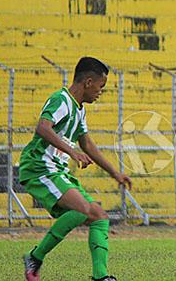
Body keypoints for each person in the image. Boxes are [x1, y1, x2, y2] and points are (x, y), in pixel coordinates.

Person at [20, 57, 132, 281]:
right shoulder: (61, 100)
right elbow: (43, 127)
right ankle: (35, 257)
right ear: (88, 82)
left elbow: (87, 144)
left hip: (57, 170)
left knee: (99, 216)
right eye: (101, 87)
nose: (100, 92)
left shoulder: (79, 110)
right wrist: (72, 153)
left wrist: (115, 173)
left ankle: (101, 277)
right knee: (82, 210)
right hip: (39, 166)